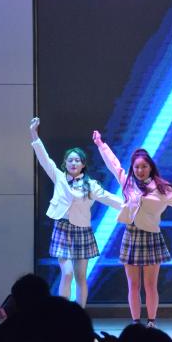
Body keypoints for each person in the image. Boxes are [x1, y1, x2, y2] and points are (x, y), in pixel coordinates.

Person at [94, 131, 172, 326]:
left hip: (151, 237)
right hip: (131, 236)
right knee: (133, 285)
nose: (140, 170)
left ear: (151, 167)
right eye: (137, 167)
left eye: (144, 166)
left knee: (150, 285)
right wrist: (101, 145)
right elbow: (114, 164)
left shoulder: (162, 188)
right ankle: (136, 323)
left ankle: (151, 321)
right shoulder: (128, 183)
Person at [30, 118, 123, 306]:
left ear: (83, 164)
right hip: (62, 228)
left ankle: (79, 313)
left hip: (82, 230)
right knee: (67, 274)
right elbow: (44, 159)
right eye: (70, 160)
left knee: (80, 277)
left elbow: (109, 198)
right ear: (65, 163)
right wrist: (34, 133)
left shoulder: (91, 184)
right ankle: (62, 312)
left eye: (77, 160)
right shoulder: (59, 177)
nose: (73, 163)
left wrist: (132, 205)